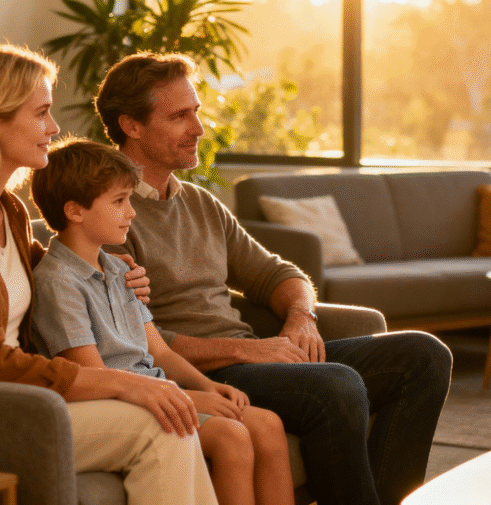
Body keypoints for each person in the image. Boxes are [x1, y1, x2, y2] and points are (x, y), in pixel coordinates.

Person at [94, 52, 453, 505]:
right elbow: (131, 337)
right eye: (180, 116)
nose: (199, 129)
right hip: (198, 374)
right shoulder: (105, 214)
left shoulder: (201, 204)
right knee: (337, 387)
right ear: (132, 125)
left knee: (424, 355)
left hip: (254, 360)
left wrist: (301, 317)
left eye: (197, 113)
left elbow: (278, 273)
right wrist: (247, 349)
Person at [0, 43, 218, 505]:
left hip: (14, 401)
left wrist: (113, 272)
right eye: (41, 114)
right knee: (160, 422)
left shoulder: (8, 210)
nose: (54, 129)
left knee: (167, 415)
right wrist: (126, 382)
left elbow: (53, 269)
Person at [29, 138, 294, 505]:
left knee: (268, 425)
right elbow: (92, 375)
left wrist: (206, 386)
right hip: (119, 403)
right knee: (232, 437)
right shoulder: (58, 283)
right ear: (75, 211)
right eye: (119, 201)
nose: (132, 212)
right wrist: (189, 397)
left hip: (157, 391)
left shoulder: (120, 270)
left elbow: (160, 352)